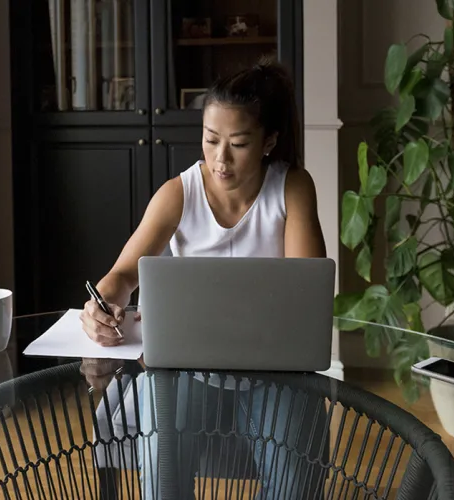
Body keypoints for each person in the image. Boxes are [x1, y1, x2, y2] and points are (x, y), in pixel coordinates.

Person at [81, 57, 328, 499]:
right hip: (186, 372)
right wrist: (100, 304)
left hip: (275, 375)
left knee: (296, 487)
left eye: (238, 143)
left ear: (269, 141)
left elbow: (307, 293)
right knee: (162, 481)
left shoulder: (292, 187)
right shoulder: (178, 193)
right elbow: (121, 275)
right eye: (211, 140)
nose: (220, 158)